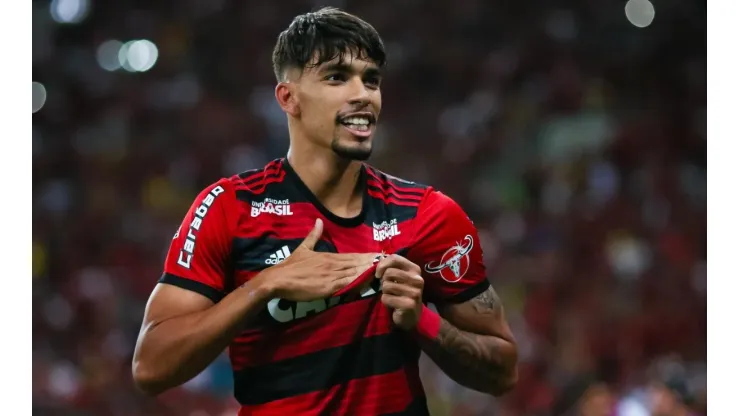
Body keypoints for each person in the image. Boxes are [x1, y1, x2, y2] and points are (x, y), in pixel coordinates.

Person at [132, 7, 518, 415]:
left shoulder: (429, 215)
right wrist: (266, 285)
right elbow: (151, 367)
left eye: (371, 80)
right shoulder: (230, 208)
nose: (363, 94)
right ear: (288, 98)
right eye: (337, 77)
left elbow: (503, 372)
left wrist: (423, 321)